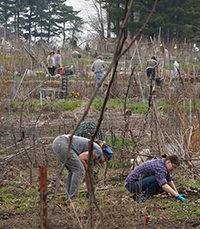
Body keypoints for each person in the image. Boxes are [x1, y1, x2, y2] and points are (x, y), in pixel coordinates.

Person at [52, 134, 113, 200]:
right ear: (105, 157)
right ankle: (73, 198)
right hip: (63, 144)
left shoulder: (94, 152)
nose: (103, 163)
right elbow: (81, 157)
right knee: (79, 169)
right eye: (105, 161)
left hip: (58, 143)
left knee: (72, 170)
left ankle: (68, 197)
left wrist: (89, 191)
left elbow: (87, 174)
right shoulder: (98, 151)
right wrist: (86, 168)